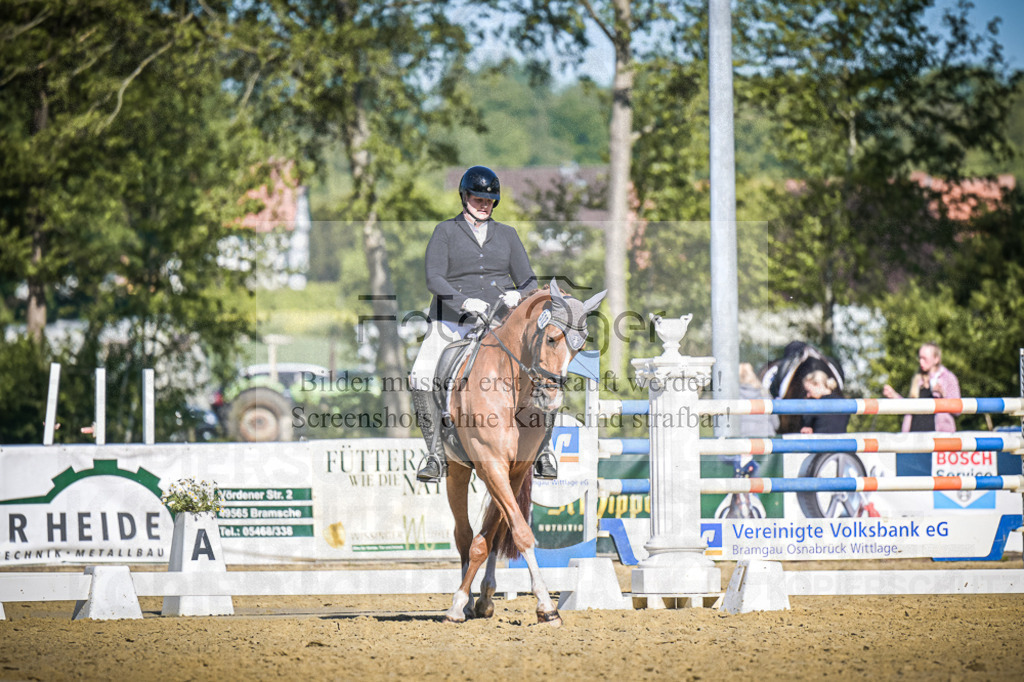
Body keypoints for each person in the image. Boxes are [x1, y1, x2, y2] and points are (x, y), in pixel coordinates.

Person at [408, 165, 558, 482]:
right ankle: (434, 456)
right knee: (420, 375)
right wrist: (463, 301)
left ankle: (543, 451)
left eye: (489, 201)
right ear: (465, 197)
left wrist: (519, 295)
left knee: (546, 366)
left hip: (500, 321)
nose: (484, 205)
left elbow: (529, 279)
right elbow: (434, 277)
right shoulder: (445, 232)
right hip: (452, 320)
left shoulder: (507, 235)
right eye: (478, 199)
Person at [882, 342, 961, 432]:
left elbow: (957, 411)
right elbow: (910, 407)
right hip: (914, 437)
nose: (920, 362)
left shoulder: (948, 378)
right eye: (920, 358)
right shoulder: (917, 379)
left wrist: (943, 396)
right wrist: (894, 396)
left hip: (938, 437)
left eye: (924, 358)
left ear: (936, 359)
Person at [799, 370, 850, 434]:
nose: (808, 395)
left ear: (818, 385)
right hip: (842, 442)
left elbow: (805, 430)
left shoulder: (814, 406)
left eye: (809, 391)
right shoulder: (844, 403)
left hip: (820, 442)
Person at [738, 362, 779, 437]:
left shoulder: (734, 397)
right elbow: (776, 424)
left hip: (742, 440)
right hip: (766, 440)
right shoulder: (765, 394)